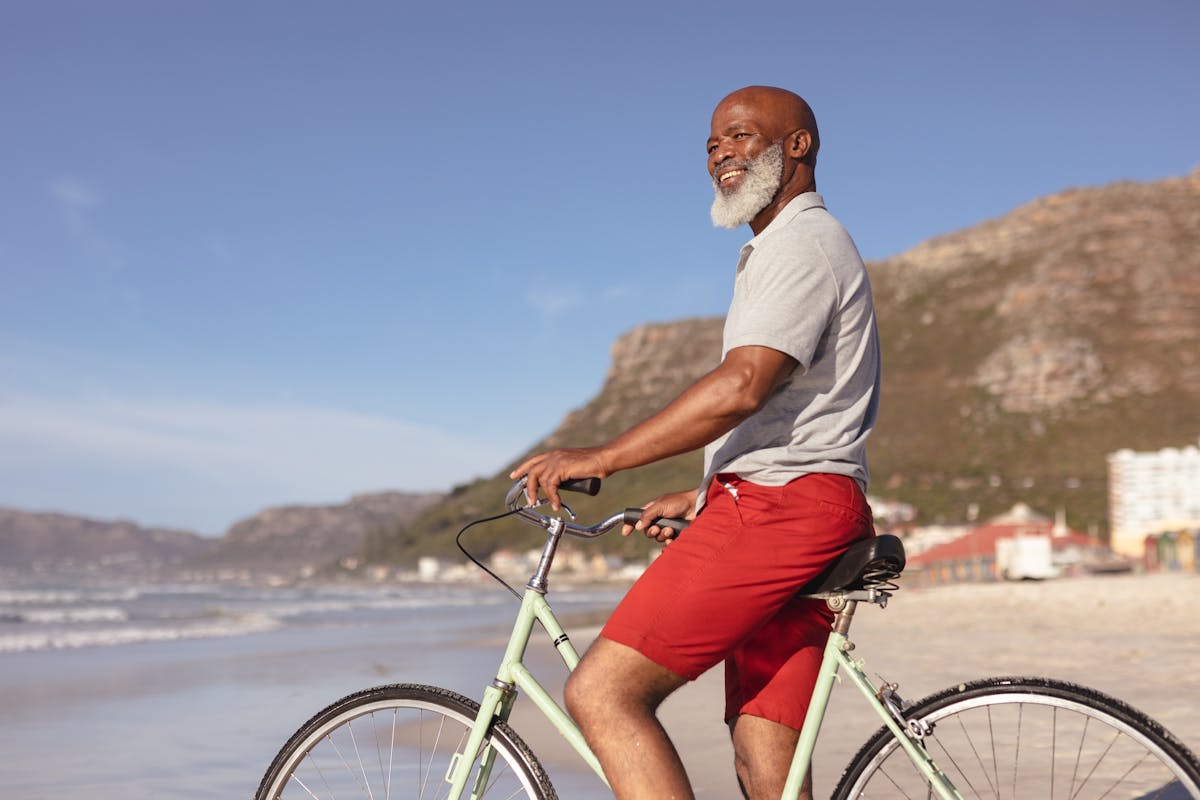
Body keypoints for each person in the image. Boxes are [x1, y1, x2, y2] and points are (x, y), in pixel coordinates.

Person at [510, 85, 880, 800]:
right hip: (798, 504)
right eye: (712, 145)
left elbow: (744, 384)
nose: (721, 154)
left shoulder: (800, 243)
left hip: (782, 513)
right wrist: (707, 489)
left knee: (603, 694)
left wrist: (602, 457)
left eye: (740, 136)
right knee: (765, 766)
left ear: (796, 145)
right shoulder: (786, 247)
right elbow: (791, 412)